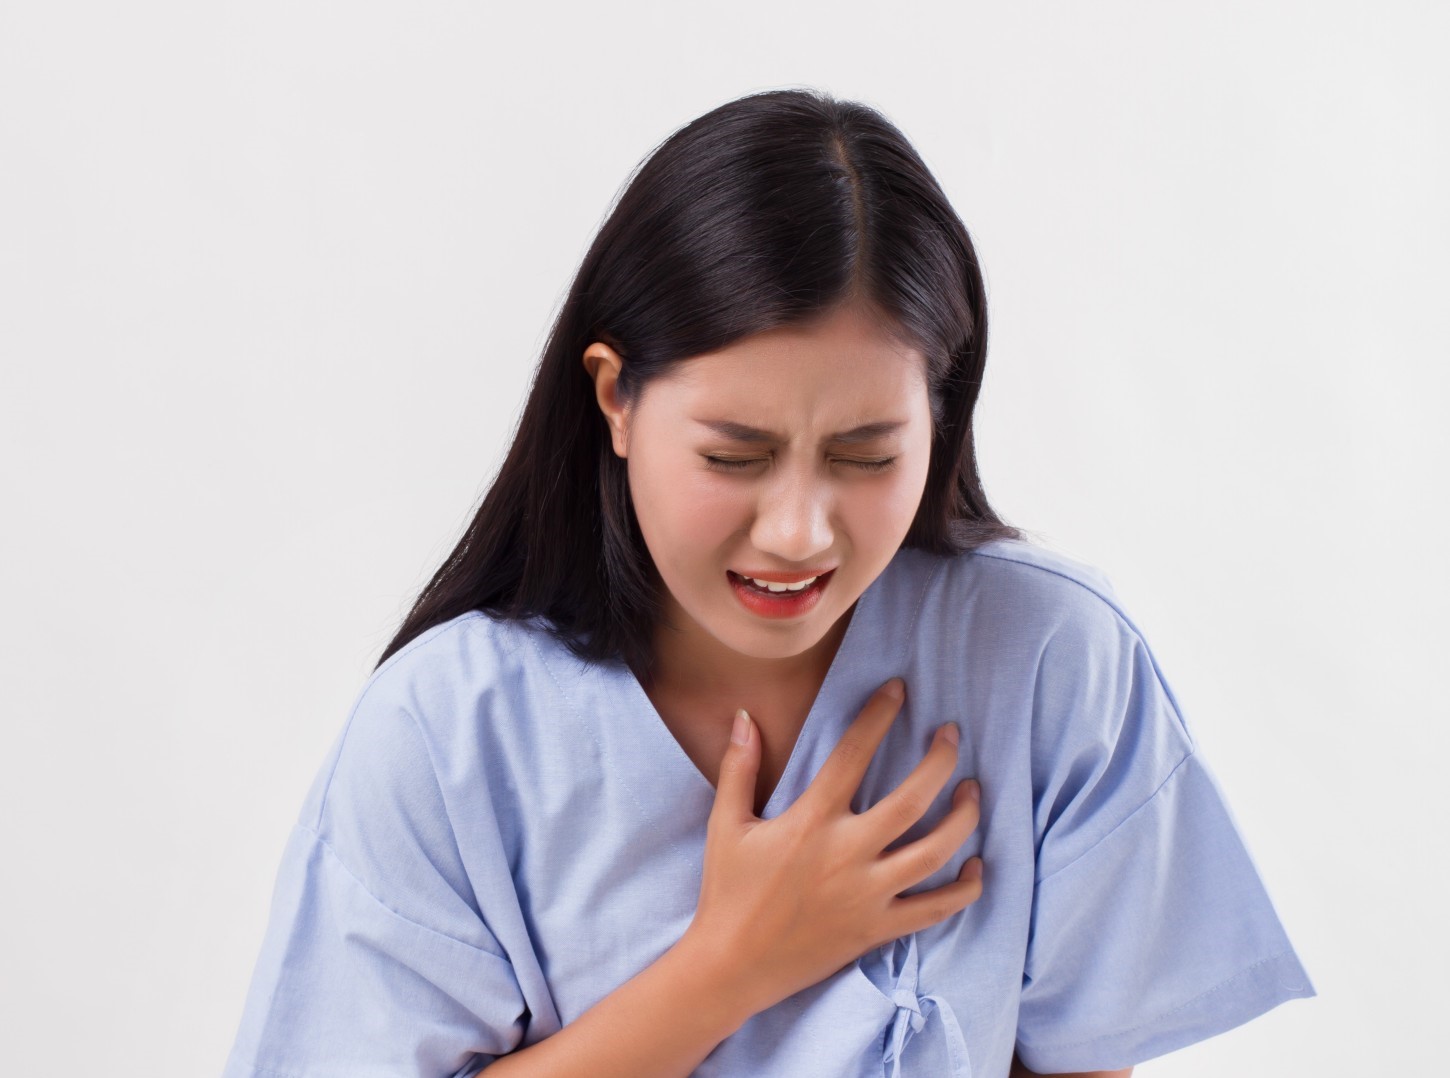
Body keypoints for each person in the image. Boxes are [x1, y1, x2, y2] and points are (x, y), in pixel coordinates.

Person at [222, 88, 1315, 1078]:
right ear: (613, 399)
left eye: (866, 455)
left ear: (940, 411)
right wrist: (730, 964)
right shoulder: (444, 733)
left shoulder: (1049, 662)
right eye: (733, 456)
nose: (797, 532)